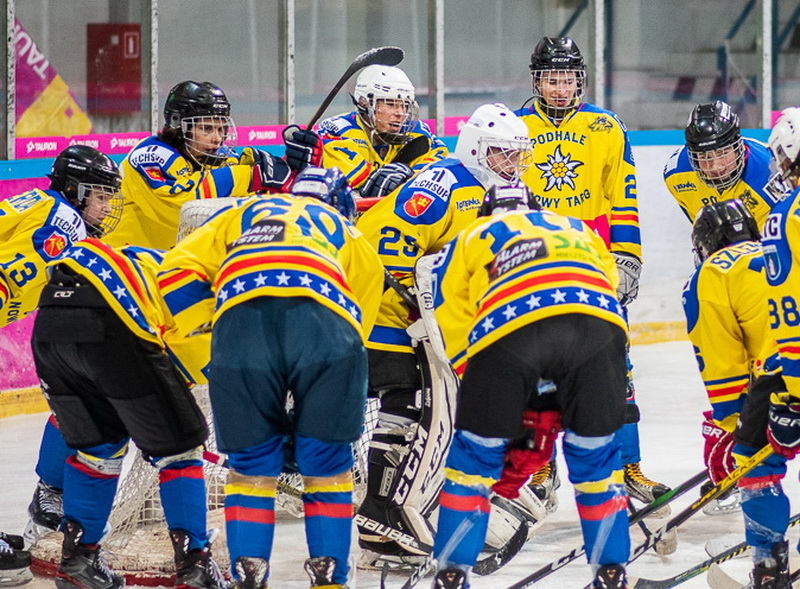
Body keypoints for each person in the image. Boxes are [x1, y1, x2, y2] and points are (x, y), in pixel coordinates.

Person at [157, 167, 383, 589]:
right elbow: (358, 329)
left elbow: (174, 270)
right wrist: (312, 424)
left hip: (241, 327)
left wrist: (213, 328)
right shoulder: (347, 231)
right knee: (327, 464)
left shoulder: (245, 211)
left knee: (250, 466)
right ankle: (330, 575)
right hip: (328, 327)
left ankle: (249, 571)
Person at [425, 184, 630, 589]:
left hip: (510, 328)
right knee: (597, 460)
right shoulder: (577, 227)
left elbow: (449, 311)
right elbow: (608, 287)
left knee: (474, 459)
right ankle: (611, 572)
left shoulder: (472, 234)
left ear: (487, 213)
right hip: (600, 332)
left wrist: (490, 395)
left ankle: (451, 573)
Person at [353, 103, 533, 566]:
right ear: (475, 148)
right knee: (410, 406)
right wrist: (414, 296)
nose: (511, 164)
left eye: (517, 155)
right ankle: (381, 513)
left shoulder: (490, 191)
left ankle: (384, 521)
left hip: (413, 317)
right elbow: (389, 241)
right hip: (384, 311)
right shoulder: (444, 183)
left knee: (418, 411)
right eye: (501, 153)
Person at [515, 36, 669, 514]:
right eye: (551, 79)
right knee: (536, 370)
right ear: (537, 80)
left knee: (614, 368)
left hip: (591, 264)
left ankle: (628, 467)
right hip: (533, 265)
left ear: (580, 79)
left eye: (567, 78)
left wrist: (627, 257)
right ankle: (539, 469)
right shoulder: (515, 127)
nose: (560, 88)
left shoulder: (606, 126)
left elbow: (623, 197)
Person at [31, 232, 227, 589]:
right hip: (112, 320)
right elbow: (184, 365)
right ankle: (195, 563)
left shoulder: (161, 258)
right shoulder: (216, 289)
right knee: (180, 451)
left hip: (49, 326)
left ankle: (79, 561)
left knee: (98, 450)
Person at [0, 145, 122, 556]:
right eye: (100, 196)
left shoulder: (43, 203)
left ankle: (49, 494)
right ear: (74, 189)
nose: (107, 207)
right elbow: (11, 275)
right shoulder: (66, 222)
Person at [683, 198, 788, 587]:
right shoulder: (779, 247)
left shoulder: (709, 274)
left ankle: (769, 567)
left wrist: (733, 425)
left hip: (784, 366)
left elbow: (722, 365)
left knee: (753, 462)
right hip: (787, 358)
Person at [106, 80, 323, 249]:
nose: (217, 139)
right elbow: (182, 207)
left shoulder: (212, 158)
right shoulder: (149, 156)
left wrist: (292, 168)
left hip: (165, 266)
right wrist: (251, 176)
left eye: (221, 129)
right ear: (178, 125)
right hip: (123, 267)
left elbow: (251, 194)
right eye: (207, 129)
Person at [318, 65, 448, 198]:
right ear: (364, 103)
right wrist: (404, 179)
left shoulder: (417, 132)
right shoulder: (337, 130)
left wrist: (407, 174)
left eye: (405, 105)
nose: (400, 113)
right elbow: (365, 186)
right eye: (390, 104)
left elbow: (439, 167)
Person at [664, 101, 780, 228]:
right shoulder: (676, 174)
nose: (716, 167)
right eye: (704, 157)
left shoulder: (771, 171)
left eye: (722, 153)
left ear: (737, 147)